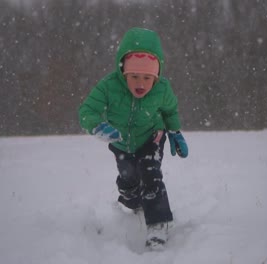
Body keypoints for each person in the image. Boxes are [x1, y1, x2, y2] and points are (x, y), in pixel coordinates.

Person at [78, 27, 188, 249]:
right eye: (134, 76)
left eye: (147, 77)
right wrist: (96, 126)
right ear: (123, 72)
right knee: (129, 180)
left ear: (156, 76)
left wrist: (175, 132)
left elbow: (170, 111)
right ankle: (131, 198)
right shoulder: (109, 86)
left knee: (150, 172)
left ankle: (158, 224)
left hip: (151, 137)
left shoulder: (162, 89)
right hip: (121, 142)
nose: (141, 83)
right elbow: (87, 110)